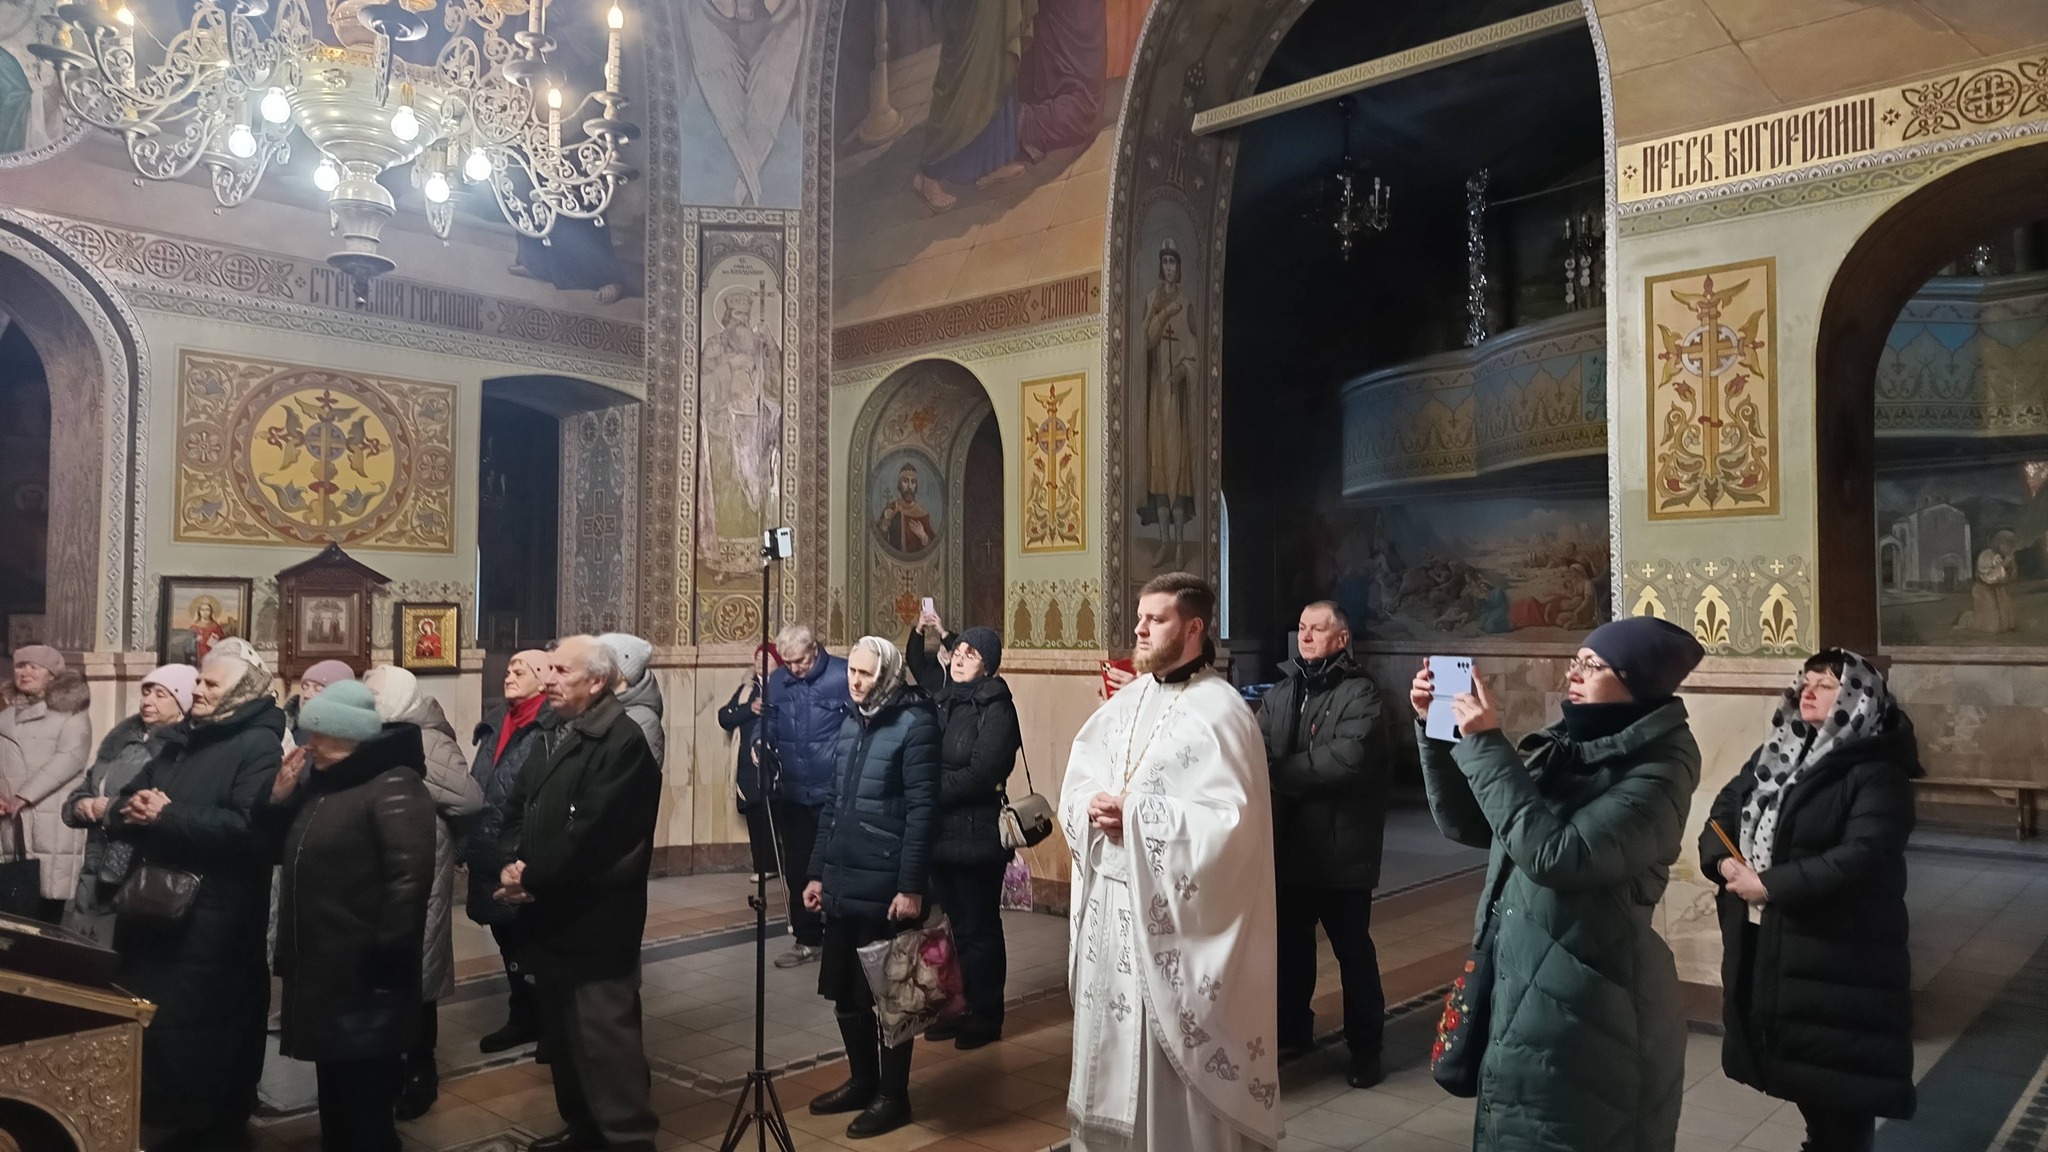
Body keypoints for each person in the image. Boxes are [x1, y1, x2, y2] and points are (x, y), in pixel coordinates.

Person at [1409, 615, 1703, 1151]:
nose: (1574, 673)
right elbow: (1474, 823)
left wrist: (1485, 744)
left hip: (1593, 1011)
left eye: (1593, 665)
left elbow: (1557, 856)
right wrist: (1439, 732)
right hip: (1528, 988)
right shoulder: (1567, 743)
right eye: (1576, 660)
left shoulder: (1661, 769)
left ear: (1637, 682)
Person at [1062, 573, 1282, 1152]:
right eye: (1140, 617)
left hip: (1171, 927)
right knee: (1111, 1048)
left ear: (1193, 628)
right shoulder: (1127, 700)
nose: (1139, 628)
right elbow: (1080, 777)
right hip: (1112, 911)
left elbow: (1233, 827)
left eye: (1155, 619)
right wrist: (1091, 805)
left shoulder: (1222, 712)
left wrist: (1137, 816)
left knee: (1165, 1063)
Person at [1701, 650, 1920, 1152]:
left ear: (1858, 698)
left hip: (1840, 949)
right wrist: (1724, 861)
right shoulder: (1779, 750)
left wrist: (1771, 886)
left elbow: (1864, 854)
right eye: (1806, 681)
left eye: (1826, 685)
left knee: (1841, 1085)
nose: (1809, 691)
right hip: (1777, 941)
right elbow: (1724, 810)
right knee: (1805, 1073)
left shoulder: (1876, 769)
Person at [108, 646, 284, 1151]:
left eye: (211, 685)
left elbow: (252, 832)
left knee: (206, 1032)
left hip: (214, 919)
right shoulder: (182, 738)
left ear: (242, 693)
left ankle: (211, 1127)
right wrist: (130, 809)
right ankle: (164, 1119)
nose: (198, 691)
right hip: (152, 910)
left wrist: (168, 815)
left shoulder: (258, 745)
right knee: (153, 1023)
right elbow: (128, 800)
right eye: (199, 682)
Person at [497, 636, 662, 1152]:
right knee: (564, 1038)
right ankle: (584, 1131)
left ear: (596, 682)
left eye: (562, 671)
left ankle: (628, 1140)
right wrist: (511, 862)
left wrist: (530, 879)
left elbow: (594, 835)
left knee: (604, 1040)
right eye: (549, 669)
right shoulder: (552, 730)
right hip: (549, 912)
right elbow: (517, 805)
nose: (548, 679)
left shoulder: (623, 741)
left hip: (595, 918)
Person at [265, 681, 435, 1152]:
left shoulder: (393, 784)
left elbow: (409, 880)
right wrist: (279, 799)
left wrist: (385, 959)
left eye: (319, 733)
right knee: (337, 1094)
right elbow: (282, 851)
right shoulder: (324, 784)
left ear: (350, 736)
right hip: (325, 971)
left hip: (365, 975)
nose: (309, 743)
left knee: (365, 1103)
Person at [801, 635, 939, 1139]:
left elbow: (923, 811)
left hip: (886, 882)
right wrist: (817, 872)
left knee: (890, 994)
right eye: (852, 672)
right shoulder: (850, 722)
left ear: (887, 675)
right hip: (843, 876)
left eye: (865, 674)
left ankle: (893, 1095)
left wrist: (911, 886)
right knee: (846, 989)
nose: (855, 682)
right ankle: (863, 1081)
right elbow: (834, 805)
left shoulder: (915, 724)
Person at [1258, 602, 1387, 1088]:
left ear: (1342, 638)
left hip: (1341, 850)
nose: (1306, 636)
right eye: (1302, 628)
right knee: (1291, 951)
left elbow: (1347, 759)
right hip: (1290, 847)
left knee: (1353, 954)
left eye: (1317, 628)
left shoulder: (1362, 692)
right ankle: (1293, 1029)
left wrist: (1279, 773)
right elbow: (1256, 746)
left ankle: (1366, 1048)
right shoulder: (1282, 690)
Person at [363, 664, 485, 1120]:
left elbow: (469, 800)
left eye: (374, 695)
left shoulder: (427, 738)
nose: (367, 702)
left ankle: (420, 1069)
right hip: (380, 862)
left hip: (422, 859)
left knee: (419, 965)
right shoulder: (372, 733)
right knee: (387, 964)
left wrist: (407, 771)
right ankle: (387, 1062)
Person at [922, 626, 1019, 1050]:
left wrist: (929, 790)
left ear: (988, 665)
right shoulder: (942, 701)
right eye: (958, 651)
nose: (960, 658)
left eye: (971, 654)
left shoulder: (997, 707)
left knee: (980, 928)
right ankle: (958, 1006)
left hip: (978, 837)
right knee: (954, 925)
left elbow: (983, 772)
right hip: (940, 835)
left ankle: (986, 1014)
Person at [60, 664, 196, 945]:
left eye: (160, 694)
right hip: (94, 866)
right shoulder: (120, 741)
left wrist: (108, 808)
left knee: (117, 949)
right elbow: (86, 787)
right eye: (146, 692)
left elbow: (161, 805)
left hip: (137, 871)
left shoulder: (177, 750)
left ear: (182, 705)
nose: (147, 701)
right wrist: (81, 804)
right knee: (81, 949)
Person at [467, 649, 555, 1053]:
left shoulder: (549, 726)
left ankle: (547, 1022)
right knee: (507, 940)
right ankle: (523, 1016)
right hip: (489, 848)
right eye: (507, 671)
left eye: (520, 671)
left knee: (534, 941)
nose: (509, 677)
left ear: (542, 678)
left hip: (524, 853)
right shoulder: (495, 722)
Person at [766, 624, 849, 968]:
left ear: (815, 648)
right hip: (794, 792)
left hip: (835, 792)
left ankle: (844, 938)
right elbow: (769, 720)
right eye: (788, 662)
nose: (794, 668)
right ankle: (807, 938)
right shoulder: (777, 680)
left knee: (838, 865)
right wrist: (760, 742)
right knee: (797, 867)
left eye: (800, 660)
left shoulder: (843, 674)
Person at [0, 644, 92, 922]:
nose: (25, 672)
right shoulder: (5, 716)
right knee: (12, 905)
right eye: (20, 665)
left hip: (51, 818)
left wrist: (23, 796)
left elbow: (70, 758)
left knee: (46, 907)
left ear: (52, 675)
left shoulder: (71, 713)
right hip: (10, 820)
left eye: (34, 667)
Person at [717, 644, 781, 881]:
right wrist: (750, 709)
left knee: (779, 814)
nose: (760, 662)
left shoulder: (784, 687)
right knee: (756, 814)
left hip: (776, 761)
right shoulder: (747, 689)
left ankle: (783, 864)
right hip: (747, 763)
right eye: (757, 657)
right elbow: (725, 717)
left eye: (766, 658)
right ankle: (763, 866)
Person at [598, 632, 666, 767]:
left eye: (604, 661)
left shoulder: (644, 721)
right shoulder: (599, 707)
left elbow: (640, 774)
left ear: (624, 672)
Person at [282, 660, 357, 748]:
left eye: (318, 689)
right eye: (305, 686)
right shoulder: (287, 730)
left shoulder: (349, 739)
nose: (306, 695)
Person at [903, 604, 959, 700]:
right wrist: (919, 627)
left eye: (947, 645)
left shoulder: (960, 670)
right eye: (943, 645)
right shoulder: (928, 666)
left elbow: (955, 651)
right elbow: (912, 656)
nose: (945, 649)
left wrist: (941, 631)